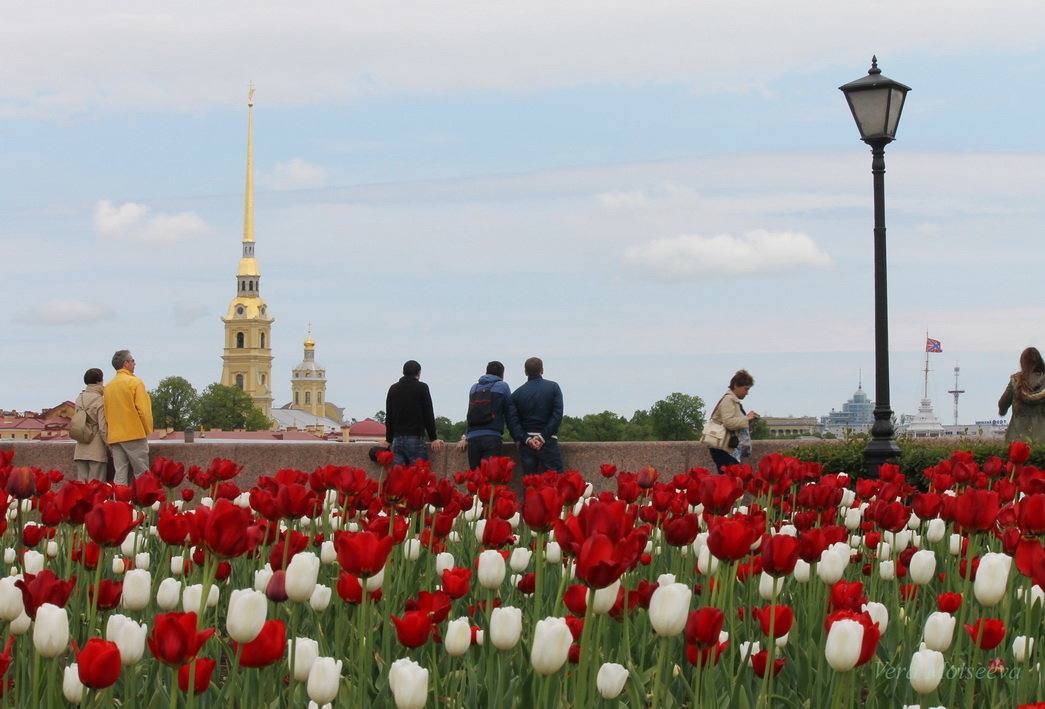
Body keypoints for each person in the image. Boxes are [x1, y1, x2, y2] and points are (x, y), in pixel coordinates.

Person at [455, 361, 518, 469]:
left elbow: (472, 413)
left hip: (473, 439)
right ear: (502, 375)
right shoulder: (502, 386)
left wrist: (466, 437)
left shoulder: (474, 388)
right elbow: (509, 414)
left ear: (486, 372)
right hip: (492, 437)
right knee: (490, 478)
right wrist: (516, 437)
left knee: (476, 478)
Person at [104, 350, 153, 485]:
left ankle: (119, 504)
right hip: (134, 434)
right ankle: (144, 504)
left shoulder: (108, 386)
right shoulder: (135, 383)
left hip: (115, 435)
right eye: (132, 361)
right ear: (126, 363)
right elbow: (143, 410)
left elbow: (106, 412)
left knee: (120, 473)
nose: (134, 363)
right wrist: (147, 430)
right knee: (141, 473)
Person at [509, 357, 564, 475]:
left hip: (526, 444)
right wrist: (542, 437)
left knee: (530, 483)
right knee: (556, 481)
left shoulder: (517, 394)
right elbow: (557, 415)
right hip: (548, 440)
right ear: (542, 370)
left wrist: (527, 439)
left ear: (525, 372)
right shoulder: (553, 387)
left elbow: (513, 421)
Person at [383, 360, 443, 465]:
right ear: (418, 373)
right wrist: (433, 438)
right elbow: (428, 413)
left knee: (398, 477)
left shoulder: (393, 389)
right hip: (415, 439)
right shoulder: (422, 388)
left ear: (403, 372)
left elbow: (389, 416)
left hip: (397, 440)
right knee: (418, 476)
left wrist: (389, 439)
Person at [706, 370, 759, 473]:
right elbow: (729, 423)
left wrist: (749, 421)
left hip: (725, 447)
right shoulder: (729, 400)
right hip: (723, 448)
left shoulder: (732, 400)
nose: (747, 393)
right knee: (728, 481)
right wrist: (747, 418)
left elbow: (733, 422)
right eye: (746, 389)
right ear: (736, 385)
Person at [999, 347, 1045, 444]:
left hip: (1017, 440)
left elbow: (1002, 404)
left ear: (1022, 363)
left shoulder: (1015, 381)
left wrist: (1002, 411)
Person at [72, 368, 109, 481]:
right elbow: (103, 428)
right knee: (96, 488)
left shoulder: (79, 398)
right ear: (99, 381)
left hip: (80, 448)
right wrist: (110, 446)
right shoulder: (100, 400)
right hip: (96, 450)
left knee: (82, 488)